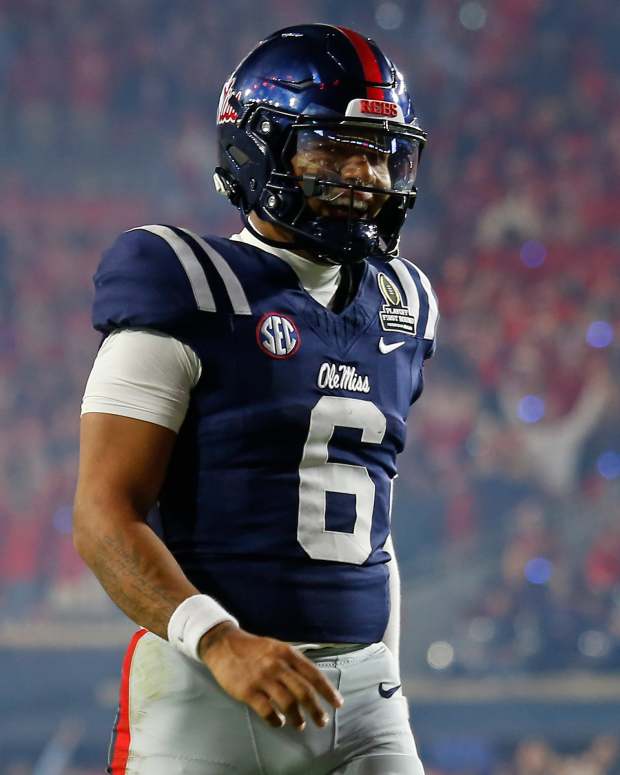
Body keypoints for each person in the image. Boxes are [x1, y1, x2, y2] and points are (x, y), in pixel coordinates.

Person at [74, 23, 438, 775]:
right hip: (208, 692)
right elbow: (102, 513)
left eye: (378, 152)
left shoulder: (403, 304)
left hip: (365, 702)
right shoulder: (185, 283)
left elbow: (374, 516)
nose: (365, 176)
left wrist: (385, 671)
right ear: (259, 148)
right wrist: (218, 639)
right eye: (334, 148)